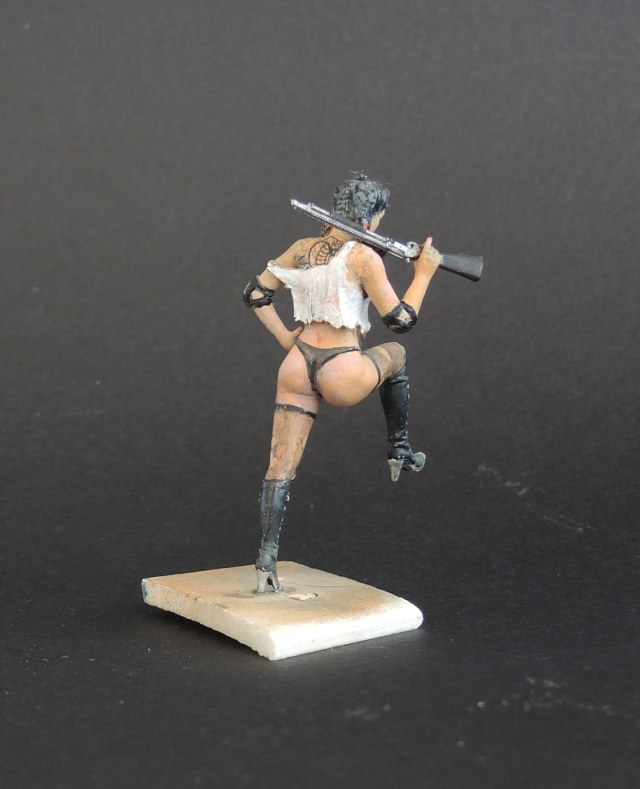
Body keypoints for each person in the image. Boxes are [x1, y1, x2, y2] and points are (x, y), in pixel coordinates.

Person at [243, 174, 442, 593]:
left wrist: (287, 339)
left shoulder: (301, 249)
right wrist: (423, 273)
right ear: (370, 218)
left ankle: (265, 561)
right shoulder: (364, 258)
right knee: (397, 355)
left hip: (296, 366)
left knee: (279, 467)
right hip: (342, 368)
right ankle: (400, 449)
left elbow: (255, 295)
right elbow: (400, 321)